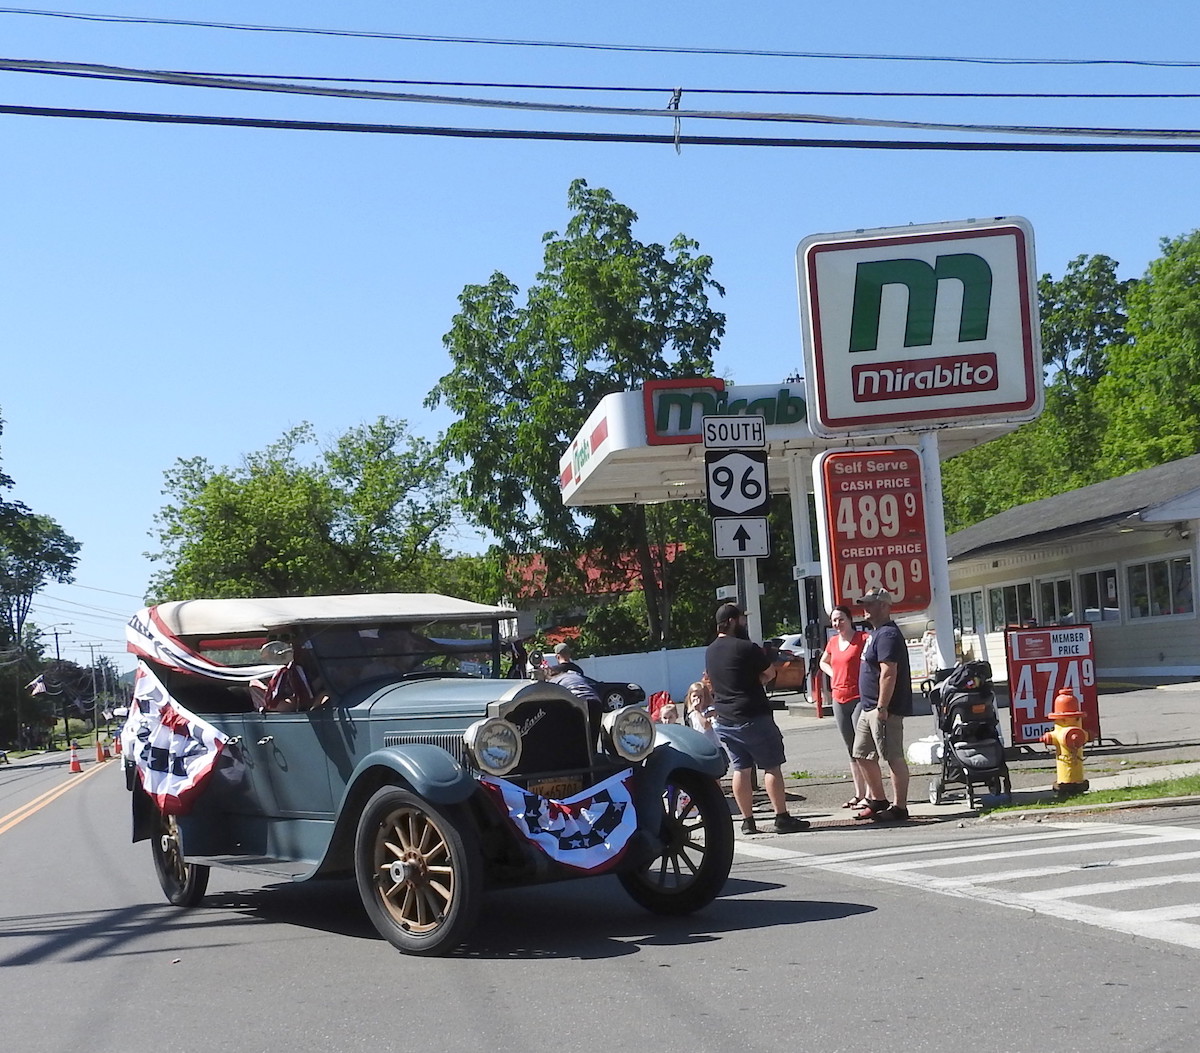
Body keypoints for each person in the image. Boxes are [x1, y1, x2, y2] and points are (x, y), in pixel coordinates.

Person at [705, 603, 809, 834]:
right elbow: (770, 673)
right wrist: (755, 682)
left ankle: (747, 821)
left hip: (724, 719)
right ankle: (781, 816)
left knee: (741, 768)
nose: (745, 623)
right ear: (732, 621)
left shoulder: (710, 650)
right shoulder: (746, 647)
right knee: (771, 766)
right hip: (752, 715)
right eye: (742, 619)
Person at [851, 588, 914, 823]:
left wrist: (882, 706)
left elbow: (889, 672)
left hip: (883, 709)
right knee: (861, 753)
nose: (865, 607)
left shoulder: (888, 634)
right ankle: (877, 799)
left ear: (885, 607)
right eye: (865, 603)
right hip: (867, 707)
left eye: (871, 603)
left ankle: (900, 807)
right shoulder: (875, 634)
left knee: (892, 755)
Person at [819, 605, 872, 809]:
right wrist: (832, 673)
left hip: (858, 696)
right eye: (834, 620)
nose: (837, 624)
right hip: (838, 698)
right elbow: (824, 662)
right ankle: (858, 793)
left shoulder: (862, 639)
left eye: (841, 619)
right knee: (850, 748)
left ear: (850, 620)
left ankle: (870, 793)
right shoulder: (833, 642)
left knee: (862, 746)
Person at [683, 680, 722, 750]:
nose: (697, 699)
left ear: (706, 697)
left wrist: (697, 711)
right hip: (700, 746)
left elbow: (706, 725)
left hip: (715, 747)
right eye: (694, 696)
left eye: (700, 696)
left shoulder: (711, 710)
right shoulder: (691, 713)